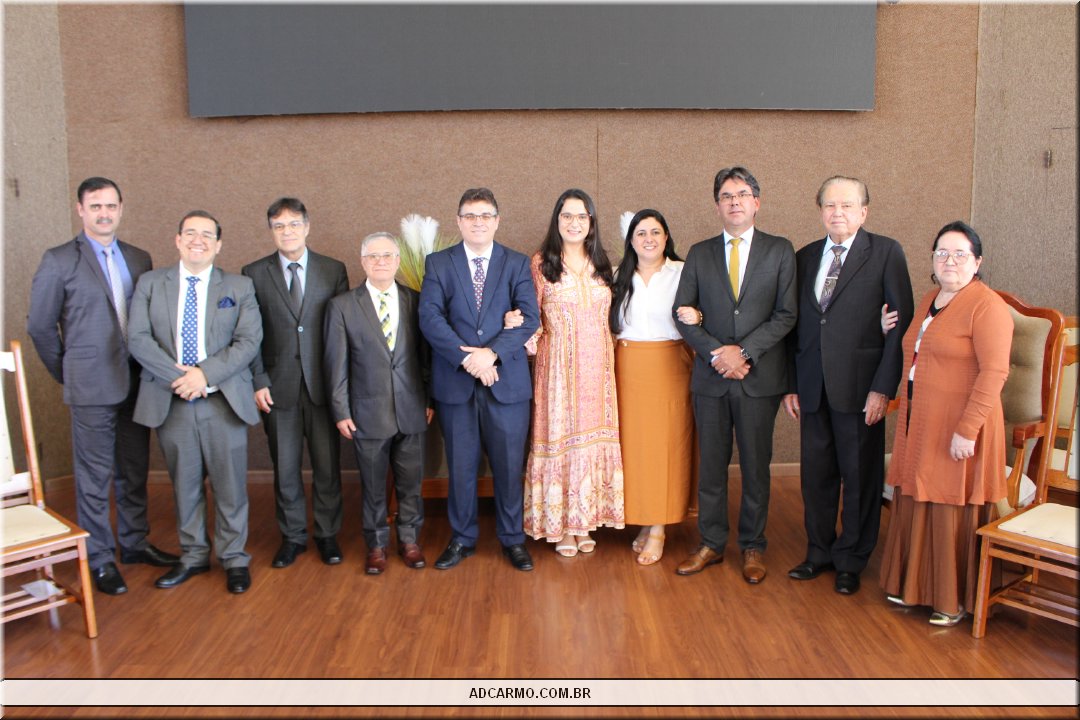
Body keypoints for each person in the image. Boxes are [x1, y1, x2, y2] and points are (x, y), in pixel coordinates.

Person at [27, 176, 179, 597]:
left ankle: (134, 543)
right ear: (80, 210)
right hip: (90, 385)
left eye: (111, 206)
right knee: (94, 476)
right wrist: (68, 371)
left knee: (133, 468)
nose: (104, 213)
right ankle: (98, 557)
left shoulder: (139, 257)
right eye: (95, 206)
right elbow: (40, 326)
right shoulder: (59, 260)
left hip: (137, 380)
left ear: (121, 208)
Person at [781, 176, 914, 595]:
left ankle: (851, 560)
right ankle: (818, 552)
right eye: (830, 205)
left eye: (847, 205)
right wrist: (790, 384)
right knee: (816, 476)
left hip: (861, 388)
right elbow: (795, 326)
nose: (837, 212)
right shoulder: (804, 257)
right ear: (820, 211)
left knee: (859, 477)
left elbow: (900, 327)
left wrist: (883, 388)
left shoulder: (886, 252)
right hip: (812, 386)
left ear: (864, 212)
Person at [878, 220, 1012, 626]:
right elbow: (918, 350)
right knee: (919, 498)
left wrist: (967, 430)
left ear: (977, 261)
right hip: (922, 421)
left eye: (959, 254)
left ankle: (951, 601)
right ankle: (915, 588)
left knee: (948, 505)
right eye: (941, 253)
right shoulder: (930, 299)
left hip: (961, 426)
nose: (949, 261)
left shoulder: (987, 306)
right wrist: (887, 330)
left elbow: (994, 373)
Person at [127, 210, 263, 594]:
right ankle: (193, 555)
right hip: (172, 399)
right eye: (190, 233)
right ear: (177, 240)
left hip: (223, 401)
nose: (197, 240)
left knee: (230, 486)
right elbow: (138, 338)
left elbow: (249, 341)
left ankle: (234, 558)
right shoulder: (151, 283)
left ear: (218, 245)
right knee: (185, 484)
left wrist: (204, 374)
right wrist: (182, 379)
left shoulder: (239, 287)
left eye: (206, 234)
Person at [672, 166, 797, 583]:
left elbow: (786, 314)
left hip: (757, 378)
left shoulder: (780, 251)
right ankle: (710, 543)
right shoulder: (699, 253)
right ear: (717, 206)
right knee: (711, 466)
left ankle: (753, 546)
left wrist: (742, 352)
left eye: (742, 194)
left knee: (756, 467)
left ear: (756, 202)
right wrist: (717, 354)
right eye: (726, 196)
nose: (735, 202)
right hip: (711, 380)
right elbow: (682, 314)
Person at [418, 188, 540, 571]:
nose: (478, 222)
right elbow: (430, 318)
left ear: (497, 221)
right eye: (470, 216)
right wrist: (468, 359)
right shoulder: (439, 263)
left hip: (507, 383)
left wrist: (491, 354)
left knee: (509, 467)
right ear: (458, 221)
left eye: (486, 215)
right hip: (457, 384)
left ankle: (512, 539)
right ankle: (462, 538)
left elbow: (530, 318)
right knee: (461, 467)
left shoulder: (516, 263)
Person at [242, 198, 349, 569]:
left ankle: (327, 534)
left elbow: (340, 334)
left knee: (327, 467)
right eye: (278, 226)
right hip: (277, 388)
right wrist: (258, 379)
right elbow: (250, 334)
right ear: (271, 231)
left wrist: (341, 386)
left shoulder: (333, 269)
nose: (286, 231)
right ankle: (292, 537)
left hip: (323, 387)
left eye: (293, 224)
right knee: (285, 469)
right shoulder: (254, 273)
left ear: (307, 226)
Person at [522, 189, 625, 556]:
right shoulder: (540, 264)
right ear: (557, 220)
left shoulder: (603, 264)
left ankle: (586, 523)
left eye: (582, 216)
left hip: (598, 370)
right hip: (558, 371)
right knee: (562, 440)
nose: (574, 222)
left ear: (591, 222)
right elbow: (530, 317)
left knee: (591, 441)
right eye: (567, 215)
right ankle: (563, 526)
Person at [324, 232, 432, 575]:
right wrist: (341, 410)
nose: (380, 261)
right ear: (363, 262)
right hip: (366, 412)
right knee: (372, 486)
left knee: (411, 483)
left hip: (412, 408)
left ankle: (409, 540)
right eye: (373, 256)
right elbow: (335, 363)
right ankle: (376, 544)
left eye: (387, 255)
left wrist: (429, 399)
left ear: (397, 260)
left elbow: (425, 357)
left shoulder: (416, 301)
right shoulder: (342, 306)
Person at [609, 209, 695, 565]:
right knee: (636, 449)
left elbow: (703, 312)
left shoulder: (683, 271)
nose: (649, 239)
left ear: (666, 237)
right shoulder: (618, 275)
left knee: (666, 447)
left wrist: (699, 316)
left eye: (655, 232)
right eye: (641, 233)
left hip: (670, 365)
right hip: (627, 367)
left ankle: (659, 527)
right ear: (630, 240)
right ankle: (646, 519)